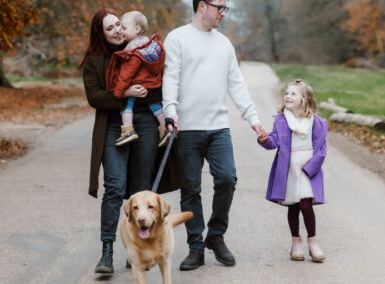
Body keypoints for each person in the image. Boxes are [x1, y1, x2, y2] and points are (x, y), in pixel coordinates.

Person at [162, 0, 266, 270]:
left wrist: (253, 120)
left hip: (219, 127)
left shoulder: (224, 44)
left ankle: (215, 236)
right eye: (219, 6)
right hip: (187, 129)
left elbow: (237, 84)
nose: (223, 12)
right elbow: (170, 78)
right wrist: (171, 111)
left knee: (227, 178)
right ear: (202, 6)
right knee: (191, 189)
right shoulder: (177, 38)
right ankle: (195, 247)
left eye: (225, 7)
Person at [79, 8, 182, 274]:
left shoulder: (142, 49)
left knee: (141, 188)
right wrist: (123, 92)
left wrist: (165, 114)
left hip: (146, 125)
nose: (116, 31)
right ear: (100, 34)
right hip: (114, 129)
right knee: (114, 186)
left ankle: (136, 248)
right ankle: (107, 251)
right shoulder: (94, 61)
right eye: (109, 28)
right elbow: (94, 98)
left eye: (118, 25)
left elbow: (157, 85)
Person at [258, 79, 327, 263]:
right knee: (293, 205)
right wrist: (264, 139)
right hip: (289, 168)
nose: (288, 96)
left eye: (293, 94)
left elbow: (321, 150)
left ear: (305, 99)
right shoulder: (282, 120)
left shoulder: (315, 122)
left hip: (308, 167)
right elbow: (274, 142)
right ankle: (296, 242)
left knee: (305, 204)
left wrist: (311, 167)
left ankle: (313, 241)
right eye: (287, 93)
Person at [106, 11, 171, 147]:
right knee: (154, 105)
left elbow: (127, 74)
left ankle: (128, 130)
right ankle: (165, 128)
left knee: (126, 104)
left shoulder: (134, 51)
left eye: (124, 28)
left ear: (137, 29)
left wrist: (119, 91)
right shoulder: (152, 46)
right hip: (152, 84)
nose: (121, 31)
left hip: (138, 84)